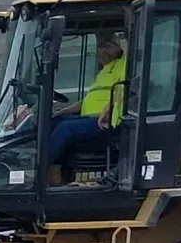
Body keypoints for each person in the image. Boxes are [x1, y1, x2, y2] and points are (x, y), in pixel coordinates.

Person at [46, 34, 127, 184]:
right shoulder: (104, 70)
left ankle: (39, 169)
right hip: (89, 118)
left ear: (119, 48)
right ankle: (56, 173)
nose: (103, 51)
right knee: (53, 122)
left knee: (65, 128)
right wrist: (61, 111)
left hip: (106, 122)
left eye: (108, 47)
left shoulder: (125, 64)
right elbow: (87, 100)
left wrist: (109, 109)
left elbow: (122, 90)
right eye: (101, 47)